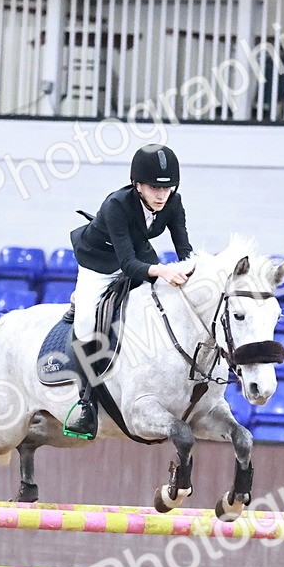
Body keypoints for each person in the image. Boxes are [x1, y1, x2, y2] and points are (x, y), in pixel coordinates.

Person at [64, 144, 194, 436]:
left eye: (167, 187)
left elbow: (185, 250)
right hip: (99, 261)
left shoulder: (173, 203)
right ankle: (86, 402)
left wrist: (196, 273)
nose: (161, 195)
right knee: (85, 322)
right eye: (154, 187)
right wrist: (163, 270)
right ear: (137, 185)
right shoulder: (117, 205)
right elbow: (127, 265)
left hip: (137, 252)